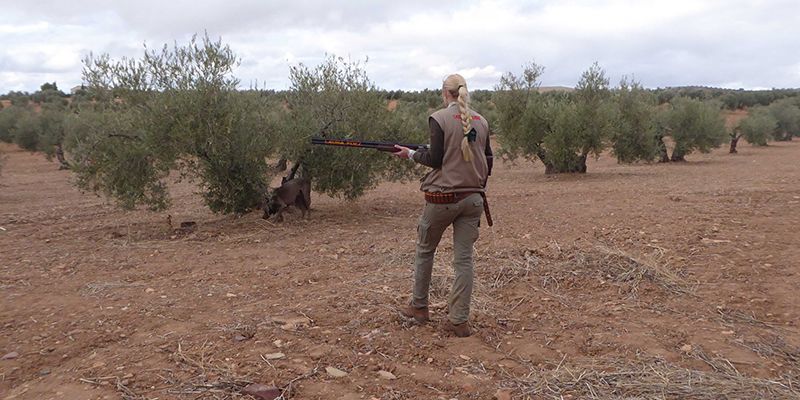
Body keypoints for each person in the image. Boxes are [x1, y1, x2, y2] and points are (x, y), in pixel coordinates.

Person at [393, 73, 493, 337]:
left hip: (443, 199)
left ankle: (419, 307)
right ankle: (459, 320)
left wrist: (411, 154)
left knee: (425, 250)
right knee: (464, 260)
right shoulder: (481, 121)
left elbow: (435, 159)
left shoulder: (438, 118)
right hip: (474, 199)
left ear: (444, 93)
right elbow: (488, 161)